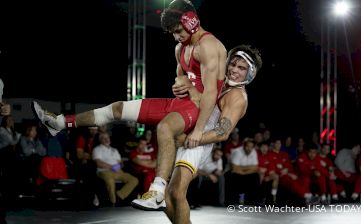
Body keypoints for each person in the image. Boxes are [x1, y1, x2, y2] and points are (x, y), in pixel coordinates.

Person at [32, 0, 226, 211]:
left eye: (178, 30)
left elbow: (211, 94)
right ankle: (59, 123)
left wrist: (198, 130)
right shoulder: (181, 47)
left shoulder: (209, 46)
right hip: (182, 103)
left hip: (201, 109)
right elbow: (181, 78)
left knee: (164, 128)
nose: (175, 36)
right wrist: (181, 85)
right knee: (117, 108)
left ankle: (157, 192)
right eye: (172, 32)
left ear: (191, 22)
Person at [157, 45, 262, 223]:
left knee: (176, 192)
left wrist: (188, 140)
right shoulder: (220, 82)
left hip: (198, 143)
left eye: (241, 68)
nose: (234, 69)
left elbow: (222, 132)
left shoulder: (237, 96)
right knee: (165, 199)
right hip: (188, 135)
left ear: (249, 74)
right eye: (233, 64)